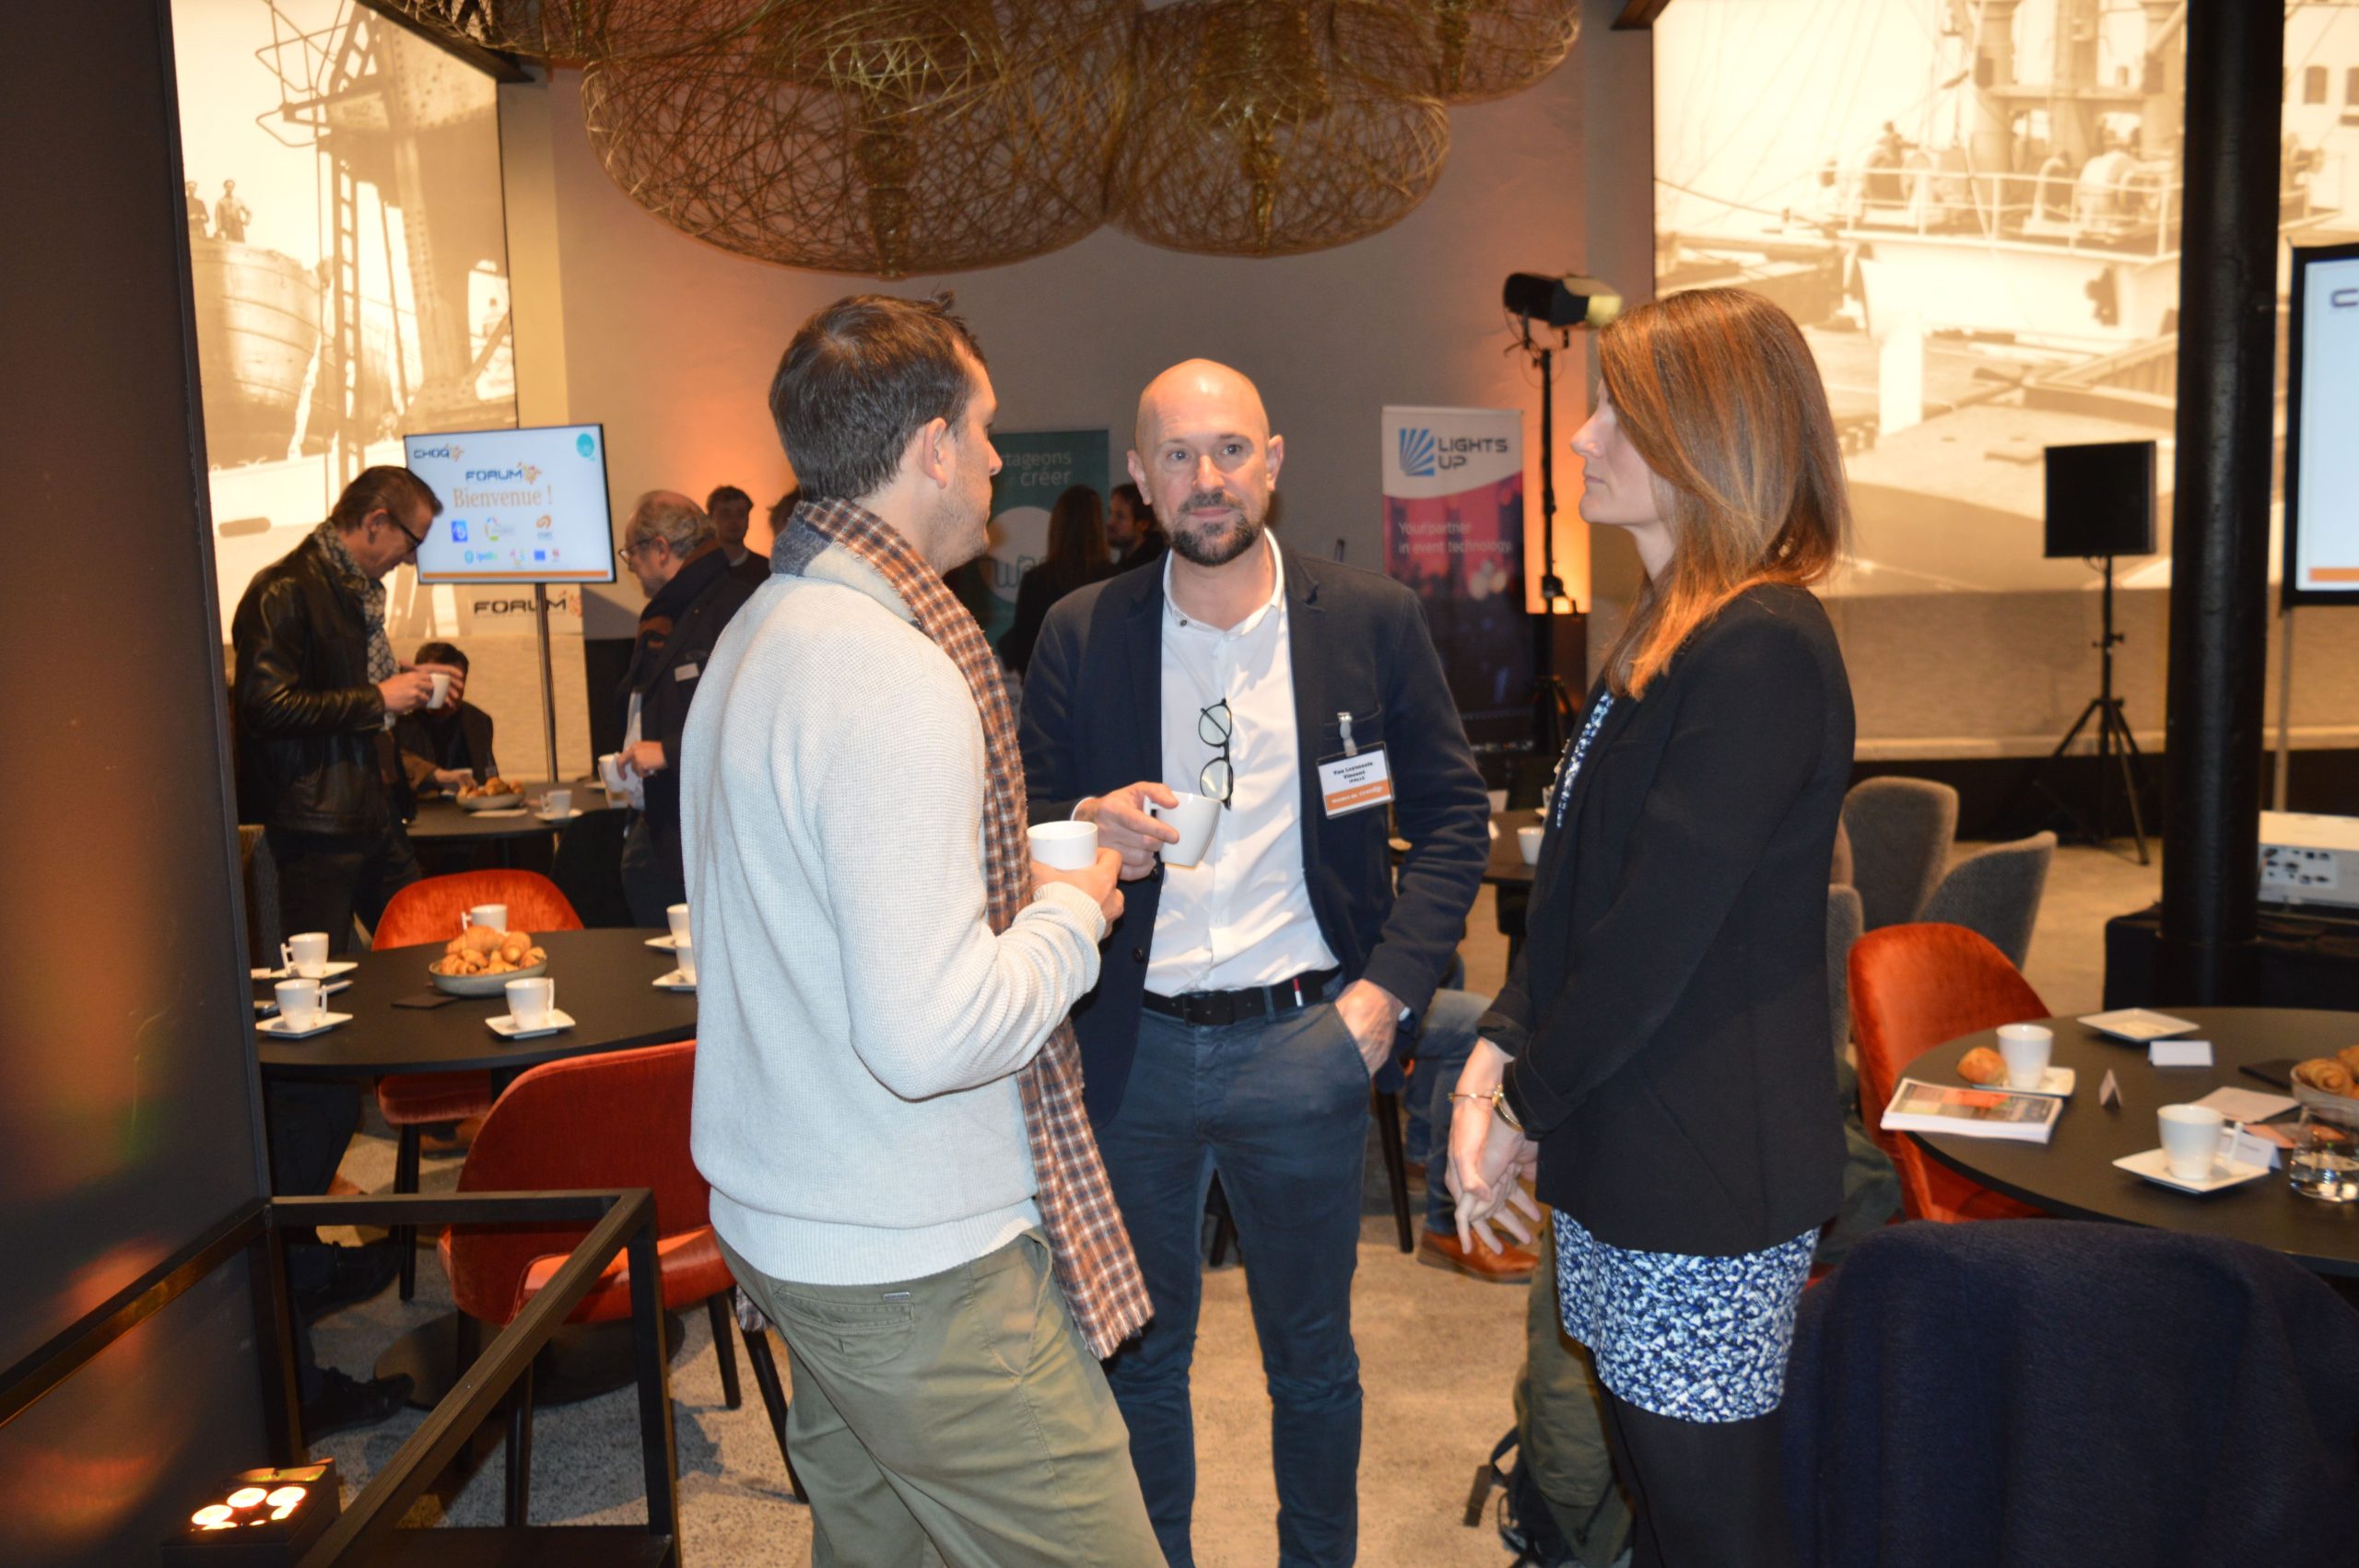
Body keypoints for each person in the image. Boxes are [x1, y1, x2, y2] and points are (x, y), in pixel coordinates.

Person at [684, 292, 1161, 1567]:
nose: (999, 460)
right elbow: (929, 1032)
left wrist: (1064, 841)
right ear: (933, 446)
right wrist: (1071, 917)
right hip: (911, 1260)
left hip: (793, 1223)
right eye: (985, 429)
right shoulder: (892, 668)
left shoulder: (762, 629)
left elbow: (838, 897)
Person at [1019, 358, 1490, 1567]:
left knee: (1313, 1362)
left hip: (1305, 1041)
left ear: (1271, 462)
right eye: (1177, 455)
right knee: (1140, 1357)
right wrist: (1086, 821)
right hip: (1133, 1048)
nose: (1207, 477)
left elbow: (1454, 820)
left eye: (1230, 449)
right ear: (1138, 476)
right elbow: (1024, 820)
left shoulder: (1370, 619)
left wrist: (1384, 996)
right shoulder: (1083, 630)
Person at [1448, 287, 1856, 1568]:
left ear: (1708, 437)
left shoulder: (1762, 643)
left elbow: (1650, 943)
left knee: (1713, 1524)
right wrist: (1497, 1050)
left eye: (1620, 414)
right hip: (1636, 1153)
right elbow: (1581, 894)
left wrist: (1520, 1104)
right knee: (1662, 1508)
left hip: (1702, 1175)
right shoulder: (1675, 629)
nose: (1583, 437)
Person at [231, 464, 467, 1436]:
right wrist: (379, 695)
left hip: (372, 820)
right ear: (372, 523)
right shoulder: (284, 589)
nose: (412, 558)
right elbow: (265, 706)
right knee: (317, 1048)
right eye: (409, 539)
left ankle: (445, 1151)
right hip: (318, 831)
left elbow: (344, 703)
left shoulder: (354, 591)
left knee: (444, 962)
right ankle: (301, 1257)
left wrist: (404, 704)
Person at [614, 489, 757, 926]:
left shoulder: (734, 608)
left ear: (660, 548)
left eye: (631, 554)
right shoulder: (669, 613)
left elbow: (752, 719)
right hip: (665, 820)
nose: (631, 567)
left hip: (708, 831)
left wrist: (667, 751)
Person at [998, 482, 1113, 675]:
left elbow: (1025, 647)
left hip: (1048, 682)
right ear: (1096, 526)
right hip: (1099, 683)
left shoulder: (1036, 580)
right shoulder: (1113, 579)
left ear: (1058, 525)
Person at [393, 638, 497, 797]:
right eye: (441, 682)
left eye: (456, 682)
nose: (449, 691)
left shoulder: (478, 720)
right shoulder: (401, 720)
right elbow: (392, 764)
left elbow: (488, 777)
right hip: (421, 808)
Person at [706, 482, 769, 587]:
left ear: (748, 519)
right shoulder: (700, 570)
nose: (734, 521)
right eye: (725, 514)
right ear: (710, 520)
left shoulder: (767, 570)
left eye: (741, 514)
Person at [1108, 480, 1165, 573]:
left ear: (1143, 524)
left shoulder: (1155, 567)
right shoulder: (1122, 566)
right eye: (1110, 513)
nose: (1110, 522)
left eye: (1120, 516)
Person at [214, 178, 250, 243]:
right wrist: (219, 230)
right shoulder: (220, 201)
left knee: (240, 245)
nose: (229, 188)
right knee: (228, 245)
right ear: (224, 187)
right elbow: (217, 217)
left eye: (231, 187)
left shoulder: (238, 200)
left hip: (238, 228)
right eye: (228, 186)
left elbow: (248, 212)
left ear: (233, 188)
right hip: (227, 228)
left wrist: (247, 221)